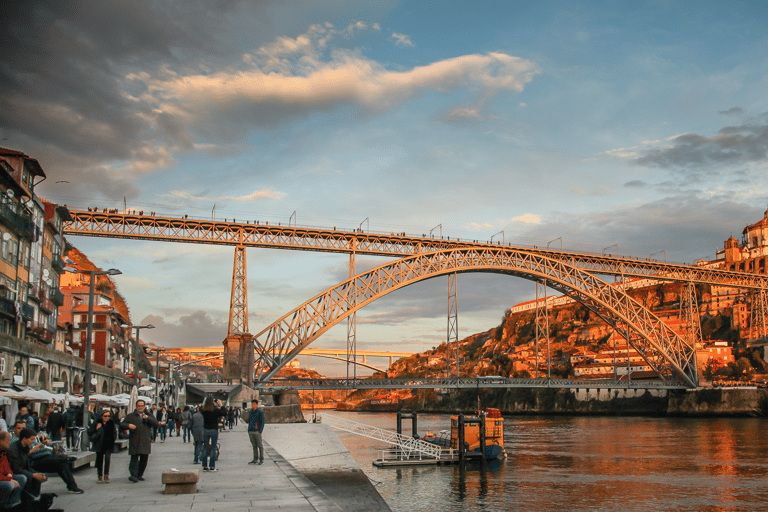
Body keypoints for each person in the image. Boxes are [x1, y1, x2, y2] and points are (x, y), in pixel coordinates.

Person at [12, 420, 83, 494]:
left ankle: (72, 486)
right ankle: (66, 458)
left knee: (61, 464)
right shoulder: (15, 441)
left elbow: (37, 445)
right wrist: (34, 449)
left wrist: (44, 443)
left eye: (23, 428)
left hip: (44, 455)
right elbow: (23, 456)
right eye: (19, 428)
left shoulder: (28, 437)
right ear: (14, 429)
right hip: (34, 460)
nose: (21, 430)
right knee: (60, 460)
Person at [120, 400, 158, 483]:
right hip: (135, 440)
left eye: (142, 406)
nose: (140, 407)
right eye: (138, 406)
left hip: (145, 441)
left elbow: (156, 424)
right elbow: (122, 425)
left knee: (144, 459)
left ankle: (140, 474)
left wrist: (148, 418)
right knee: (134, 458)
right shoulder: (131, 416)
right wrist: (128, 425)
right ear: (136, 406)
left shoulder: (148, 415)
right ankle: (133, 475)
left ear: (144, 407)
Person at [7, 428, 48, 505]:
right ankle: (19, 501)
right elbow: (15, 468)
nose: (33, 441)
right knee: (27, 477)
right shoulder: (13, 449)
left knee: (37, 477)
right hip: (13, 472)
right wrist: (32, 475)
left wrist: (36, 474)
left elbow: (26, 465)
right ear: (24, 438)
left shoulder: (25, 447)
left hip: (21, 470)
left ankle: (33, 499)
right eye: (31, 439)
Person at [88, 410, 117, 483]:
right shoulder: (96, 423)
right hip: (99, 444)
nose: (107, 417)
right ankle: (100, 476)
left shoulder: (111, 423)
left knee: (107, 460)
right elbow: (90, 432)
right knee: (99, 460)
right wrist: (97, 429)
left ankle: (106, 475)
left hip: (108, 444)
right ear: (101, 416)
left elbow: (114, 433)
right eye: (105, 416)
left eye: (108, 416)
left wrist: (113, 440)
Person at [0, 431, 25, 509]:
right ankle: (3, 505)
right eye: (8, 440)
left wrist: (9, 473)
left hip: (4, 477)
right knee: (10, 485)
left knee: (22, 478)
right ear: (1, 441)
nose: (10, 442)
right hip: (2, 478)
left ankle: (9, 505)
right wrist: (9, 479)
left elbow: (6, 465)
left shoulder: (3, 451)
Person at [201, 397, 226, 472]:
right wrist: (220, 405)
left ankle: (205, 465)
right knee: (213, 448)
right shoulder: (215, 410)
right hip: (214, 429)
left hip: (205, 429)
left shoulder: (203, 410)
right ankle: (212, 466)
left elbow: (201, 407)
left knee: (205, 448)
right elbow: (224, 413)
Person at [247, 399, 265, 465]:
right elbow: (249, 421)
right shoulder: (250, 412)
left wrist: (260, 431)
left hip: (257, 431)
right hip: (251, 430)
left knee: (260, 445)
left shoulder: (260, 412)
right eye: (252, 404)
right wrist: (249, 429)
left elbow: (262, 422)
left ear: (257, 404)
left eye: (254, 404)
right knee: (254, 446)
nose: (253, 405)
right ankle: (255, 459)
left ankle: (261, 459)